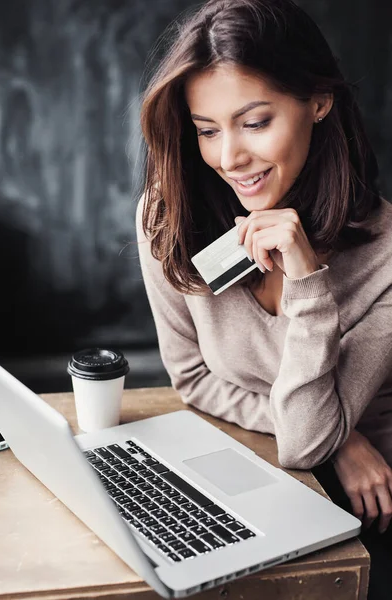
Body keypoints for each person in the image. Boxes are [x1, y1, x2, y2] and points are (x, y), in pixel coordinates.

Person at [135, 1, 392, 596]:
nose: (230, 158)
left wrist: (307, 283)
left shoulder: (383, 256)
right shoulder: (167, 216)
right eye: (206, 130)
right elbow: (193, 379)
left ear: (318, 103)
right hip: (274, 472)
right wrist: (341, 437)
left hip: (374, 499)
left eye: (255, 122)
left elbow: (305, 442)